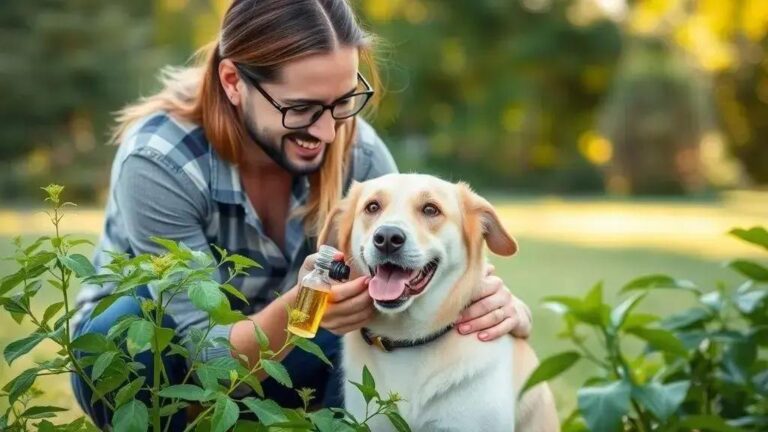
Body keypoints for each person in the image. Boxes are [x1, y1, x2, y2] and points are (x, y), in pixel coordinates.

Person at [70, 0, 533, 429]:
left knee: (360, 338)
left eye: (343, 102)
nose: (329, 130)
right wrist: (305, 308)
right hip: (167, 364)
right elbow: (202, 352)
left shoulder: (359, 153)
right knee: (123, 331)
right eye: (301, 108)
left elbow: (408, 269)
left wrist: (499, 308)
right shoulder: (160, 161)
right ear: (233, 82)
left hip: (294, 359)